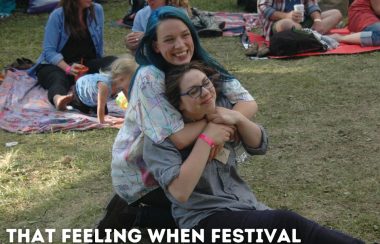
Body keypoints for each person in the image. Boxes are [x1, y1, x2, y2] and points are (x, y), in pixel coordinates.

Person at [143, 61, 364, 244]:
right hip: (203, 223)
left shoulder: (220, 110)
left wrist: (238, 118)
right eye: (194, 91)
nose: (205, 93)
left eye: (206, 83)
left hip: (244, 205)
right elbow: (180, 192)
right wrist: (207, 138)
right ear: (179, 104)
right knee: (286, 225)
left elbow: (260, 144)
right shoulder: (160, 139)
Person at [97, 6, 258, 233]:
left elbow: (248, 103)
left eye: (185, 35)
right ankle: (134, 215)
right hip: (144, 174)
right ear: (155, 45)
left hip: (182, 160)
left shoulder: (199, 63)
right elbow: (179, 139)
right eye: (169, 39)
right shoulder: (148, 77)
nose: (180, 45)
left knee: (225, 202)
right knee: (209, 212)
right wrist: (213, 127)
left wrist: (222, 119)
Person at [28, 0, 116, 111]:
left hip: (85, 65)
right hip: (57, 65)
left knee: (115, 63)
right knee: (57, 79)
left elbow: (99, 44)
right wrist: (68, 68)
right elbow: (49, 51)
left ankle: (121, 91)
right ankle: (59, 99)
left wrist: (99, 65)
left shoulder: (97, 10)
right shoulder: (57, 16)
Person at [63, 56, 138, 124]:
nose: (133, 83)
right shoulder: (104, 86)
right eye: (132, 81)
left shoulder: (121, 85)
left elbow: (130, 101)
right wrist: (102, 121)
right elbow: (100, 106)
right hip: (81, 92)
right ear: (121, 79)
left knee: (104, 112)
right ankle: (67, 100)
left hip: (95, 97)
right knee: (82, 109)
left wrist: (135, 111)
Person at [124, 0, 191, 53]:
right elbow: (136, 37)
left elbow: (174, 39)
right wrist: (131, 40)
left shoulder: (178, 12)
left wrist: (146, 37)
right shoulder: (141, 14)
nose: (149, 1)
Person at [257, 0, 342, 41]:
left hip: (303, 22)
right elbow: (263, 7)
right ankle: (313, 37)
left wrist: (317, 20)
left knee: (336, 14)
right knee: (288, 24)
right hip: (280, 23)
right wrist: (286, 16)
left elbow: (312, 5)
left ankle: (308, 36)